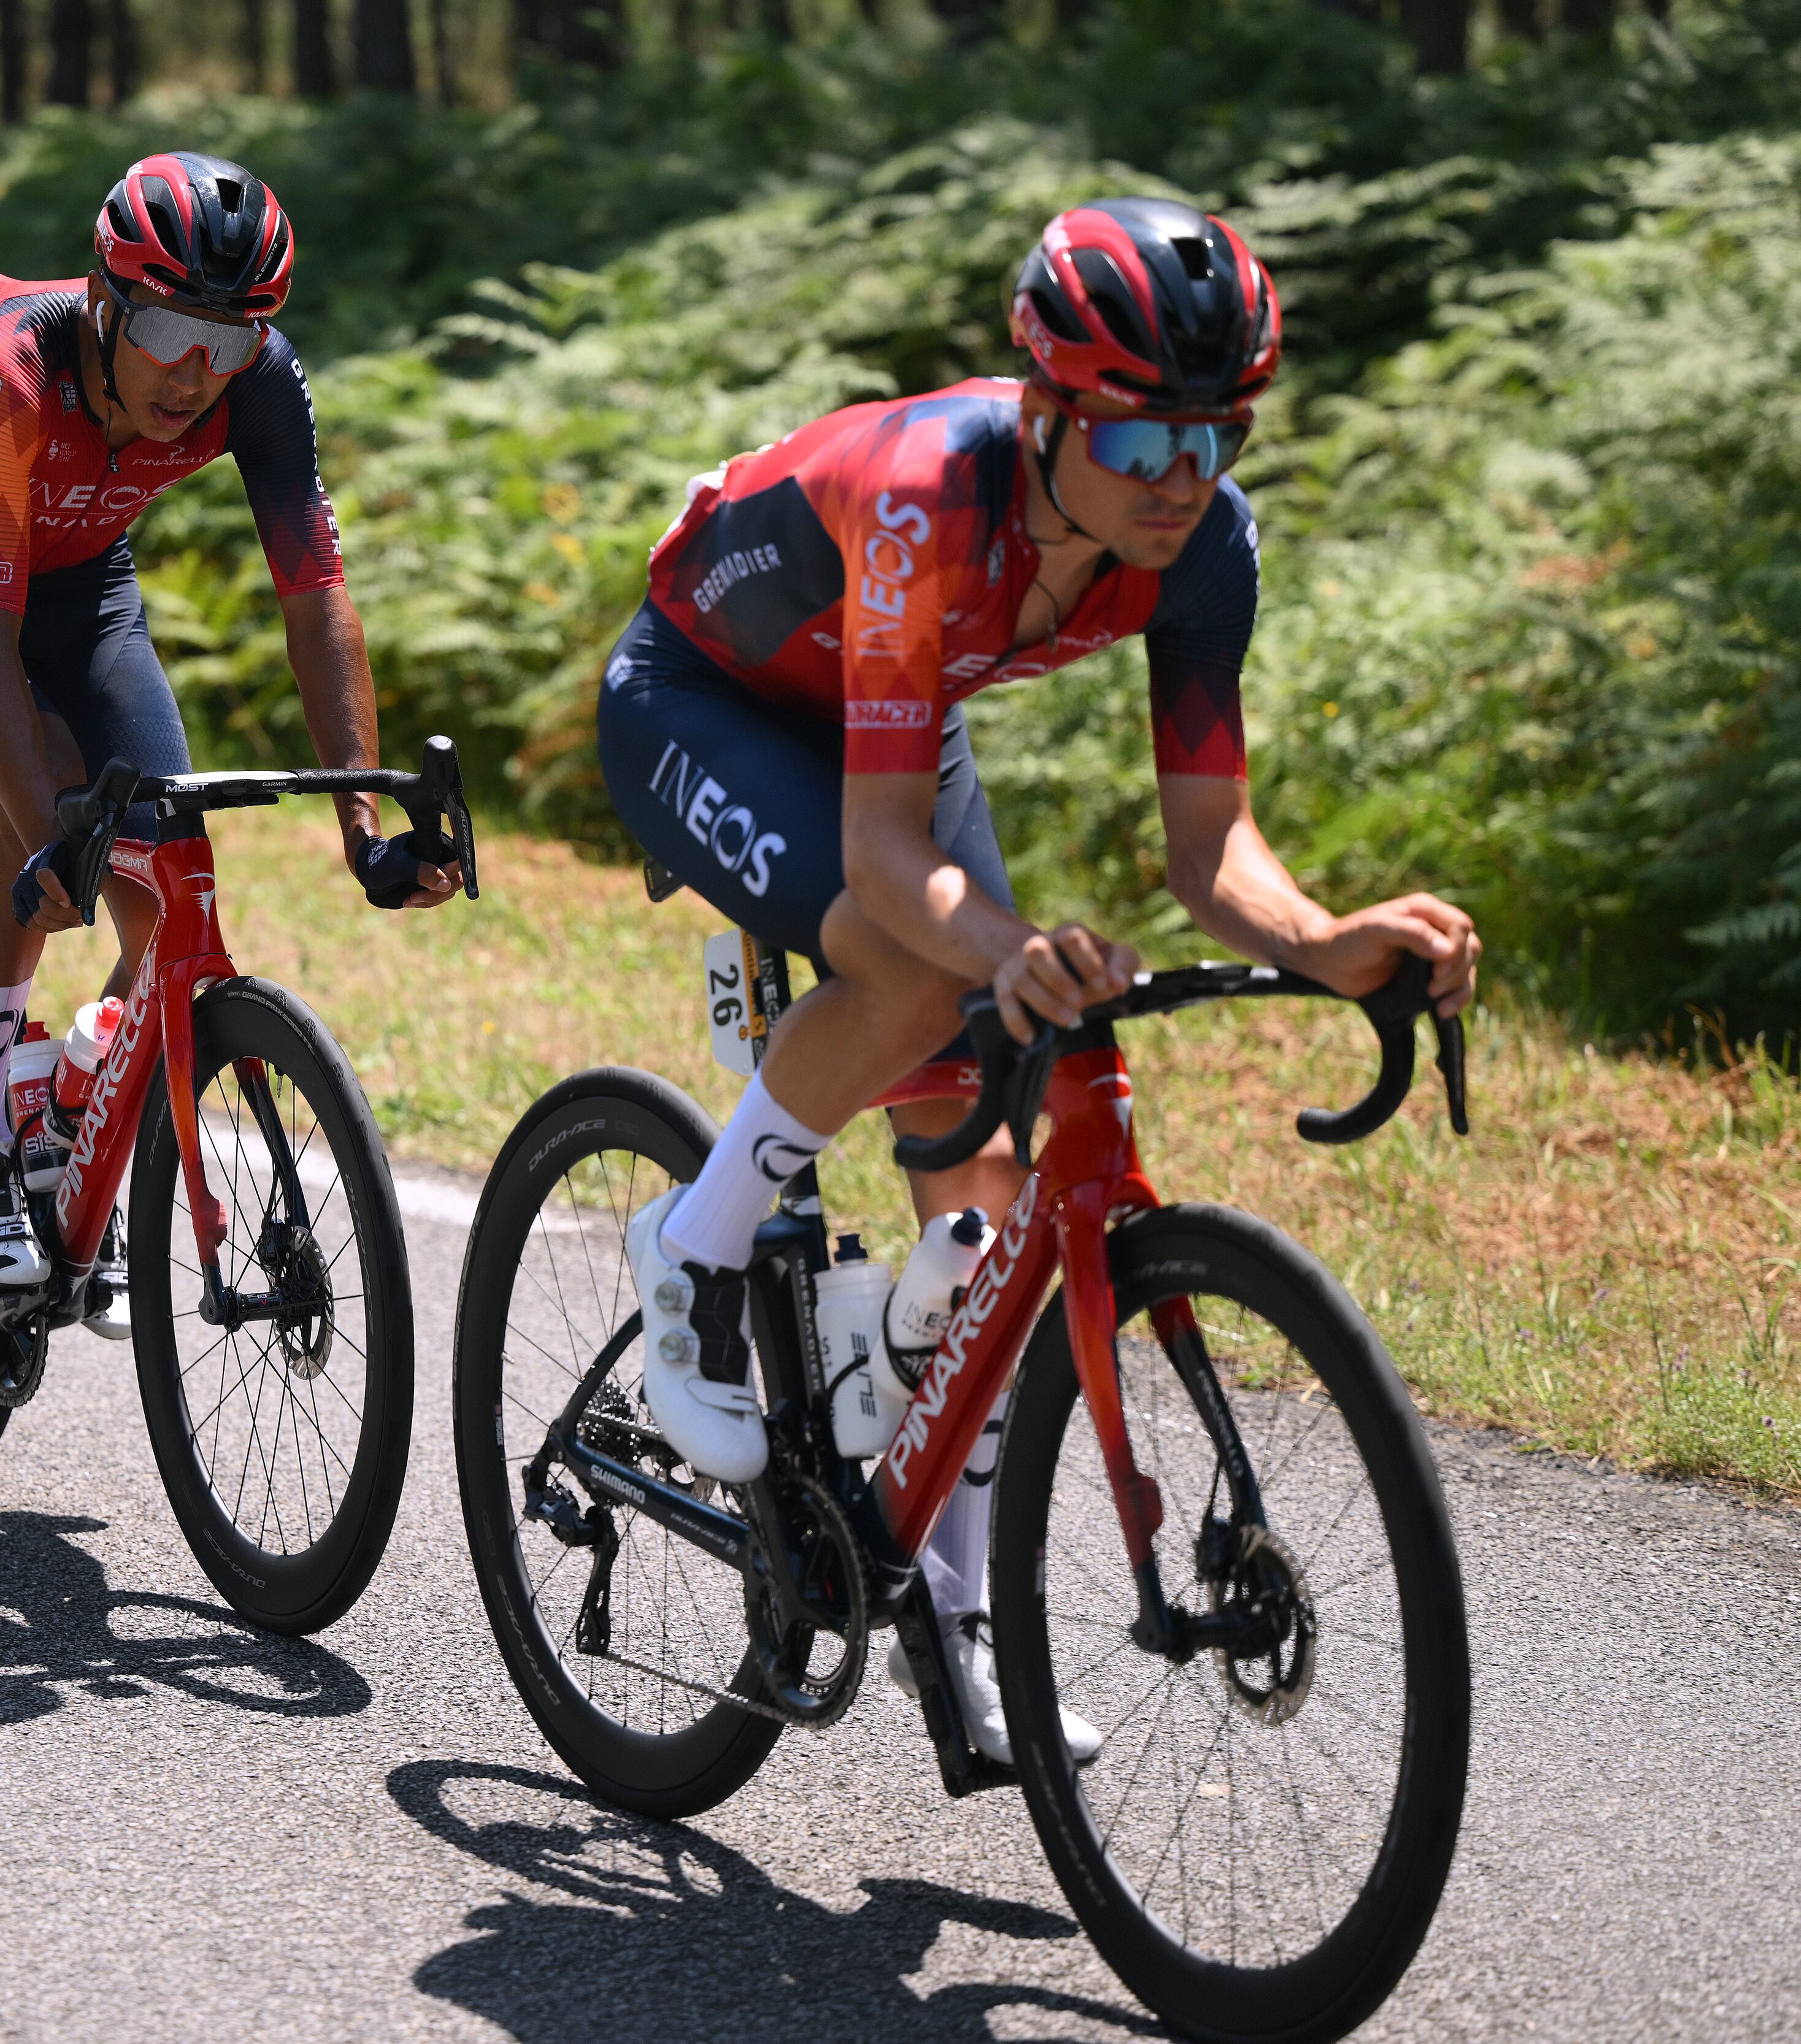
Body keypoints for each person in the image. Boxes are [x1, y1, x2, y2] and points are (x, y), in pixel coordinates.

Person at [601, 197, 1483, 1765]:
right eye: (1141, 445)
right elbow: (882, 866)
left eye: (1214, 440)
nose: (1180, 484)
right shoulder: (929, 497)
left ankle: (957, 1621)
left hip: (892, 718)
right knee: (920, 978)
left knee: (996, 1203)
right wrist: (1008, 947)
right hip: (704, 695)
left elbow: (1213, 851)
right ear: (1044, 408)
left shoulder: (1204, 546)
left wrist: (1332, 940)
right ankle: (695, 1239)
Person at [0, 150, 461, 1293]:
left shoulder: (259, 384)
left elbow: (318, 601)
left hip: (82, 580)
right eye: (173, 331)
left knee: (169, 867)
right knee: (43, 801)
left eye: (228, 343)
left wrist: (363, 819)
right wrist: (40, 837)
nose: (195, 374)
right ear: (106, 301)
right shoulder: (9, 372)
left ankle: (78, 1096)